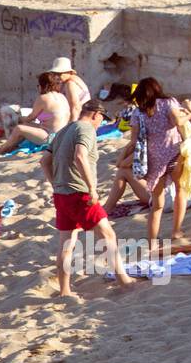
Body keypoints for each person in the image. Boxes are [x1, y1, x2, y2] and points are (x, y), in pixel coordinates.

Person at [40, 99, 134, 298]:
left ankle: (65, 290)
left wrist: (55, 183)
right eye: (101, 118)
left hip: (61, 194)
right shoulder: (86, 129)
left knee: (66, 243)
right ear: (95, 114)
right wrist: (92, 188)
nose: (100, 123)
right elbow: (80, 156)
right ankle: (124, 281)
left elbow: (44, 161)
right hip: (79, 193)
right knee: (108, 235)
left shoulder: (62, 131)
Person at [102, 77, 191, 249]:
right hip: (173, 153)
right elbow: (177, 121)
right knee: (180, 190)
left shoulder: (138, 113)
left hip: (154, 159)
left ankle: (151, 241)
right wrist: (188, 113)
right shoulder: (168, 102)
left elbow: (134, 141)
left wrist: (122, 158)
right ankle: (176, 231)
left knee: (157, 204)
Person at [0, 72, 69, 154]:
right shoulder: (62, 97)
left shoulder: (43, 98)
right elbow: (52, 115)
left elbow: (30, 118)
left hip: (51, 137)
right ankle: (12, 145)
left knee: (19, 129)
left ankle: (1, 150)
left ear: (42, 85)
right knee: (26, 126)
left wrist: (18, 118)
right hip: (63, 136)